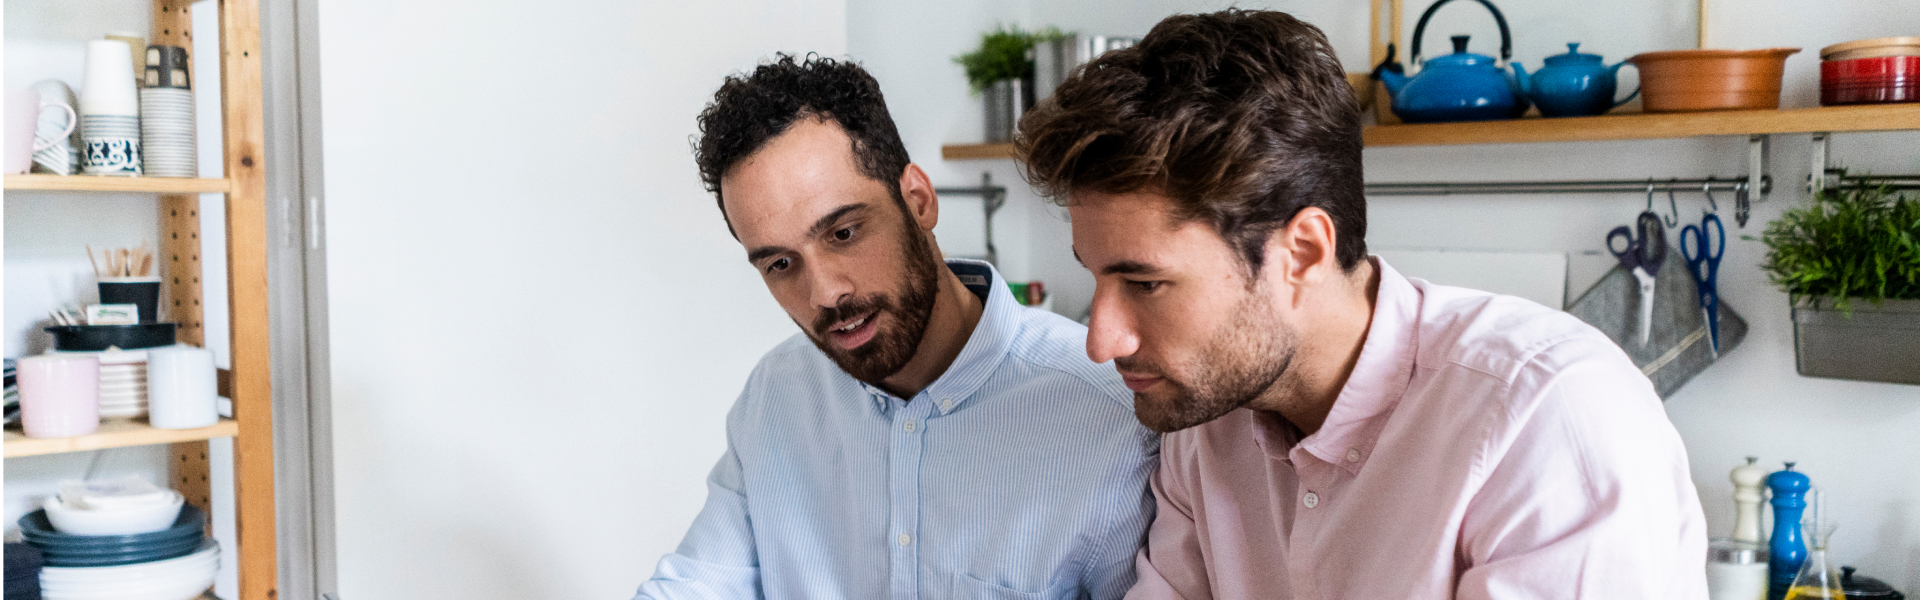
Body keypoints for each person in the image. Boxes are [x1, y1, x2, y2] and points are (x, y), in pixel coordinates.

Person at [1017, 10, 1708, 599]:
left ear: (1305, 253)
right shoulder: (1204, 421)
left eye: (1146, 285)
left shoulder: (1548, 416)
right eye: (1096, 280)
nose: (1101, 341)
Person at [633, 54, 1157, 600]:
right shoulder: (775, 396)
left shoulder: (1112, 416)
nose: (825, 293)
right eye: (780, 264)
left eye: (844, 233)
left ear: (919, 200)